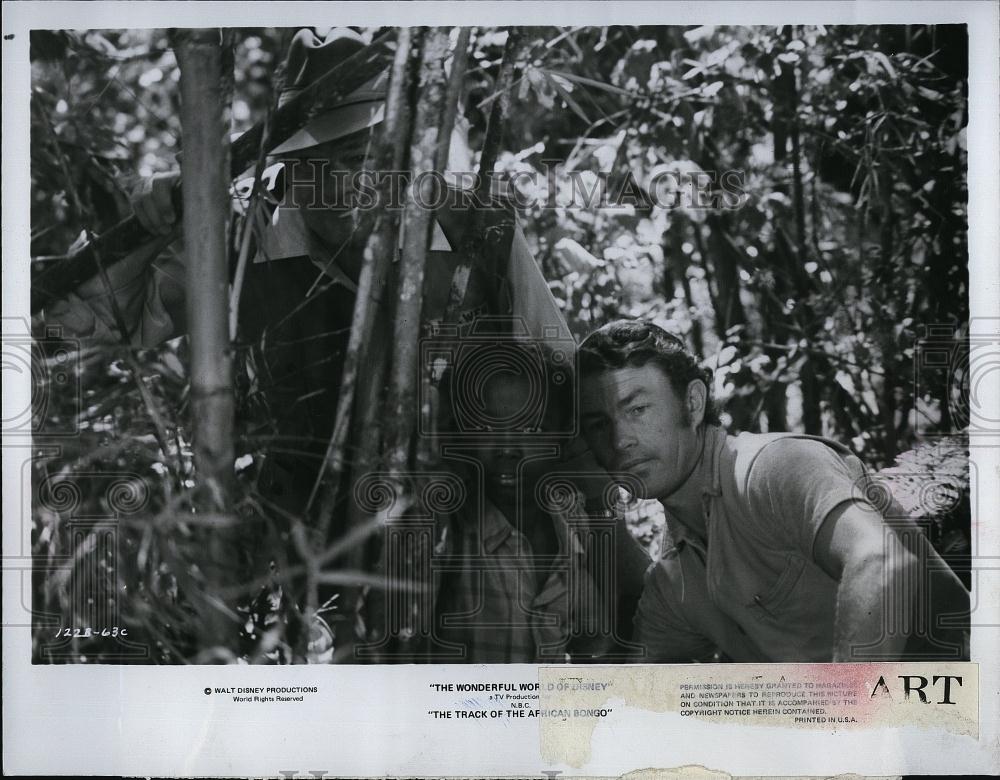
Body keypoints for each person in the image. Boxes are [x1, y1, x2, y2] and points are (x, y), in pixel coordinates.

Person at [38, 27, 576, 660]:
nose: (349, 183)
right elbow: (78, 323)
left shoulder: (470, 232)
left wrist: (580, 556)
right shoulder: (245, 241)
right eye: (325, 162)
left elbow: (565, 386)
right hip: (294, 551)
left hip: (463, 546)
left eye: (369, 157)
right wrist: (157, 223)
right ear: (289, 162)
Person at [577, 319, 970, 663]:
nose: (619, 439)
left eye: (637, 410)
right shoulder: (675, 579)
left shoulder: (774, 467)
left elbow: (882, 561)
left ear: (693, 403)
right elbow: (636, 694)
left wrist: (847, 719)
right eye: (598, 424)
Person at [363, 337, 649, 663]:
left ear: (561, 436)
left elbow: (592, 643)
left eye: (529, 429)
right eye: (487, 426)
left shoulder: (572, 521)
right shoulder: (449, 532)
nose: (508, 449)